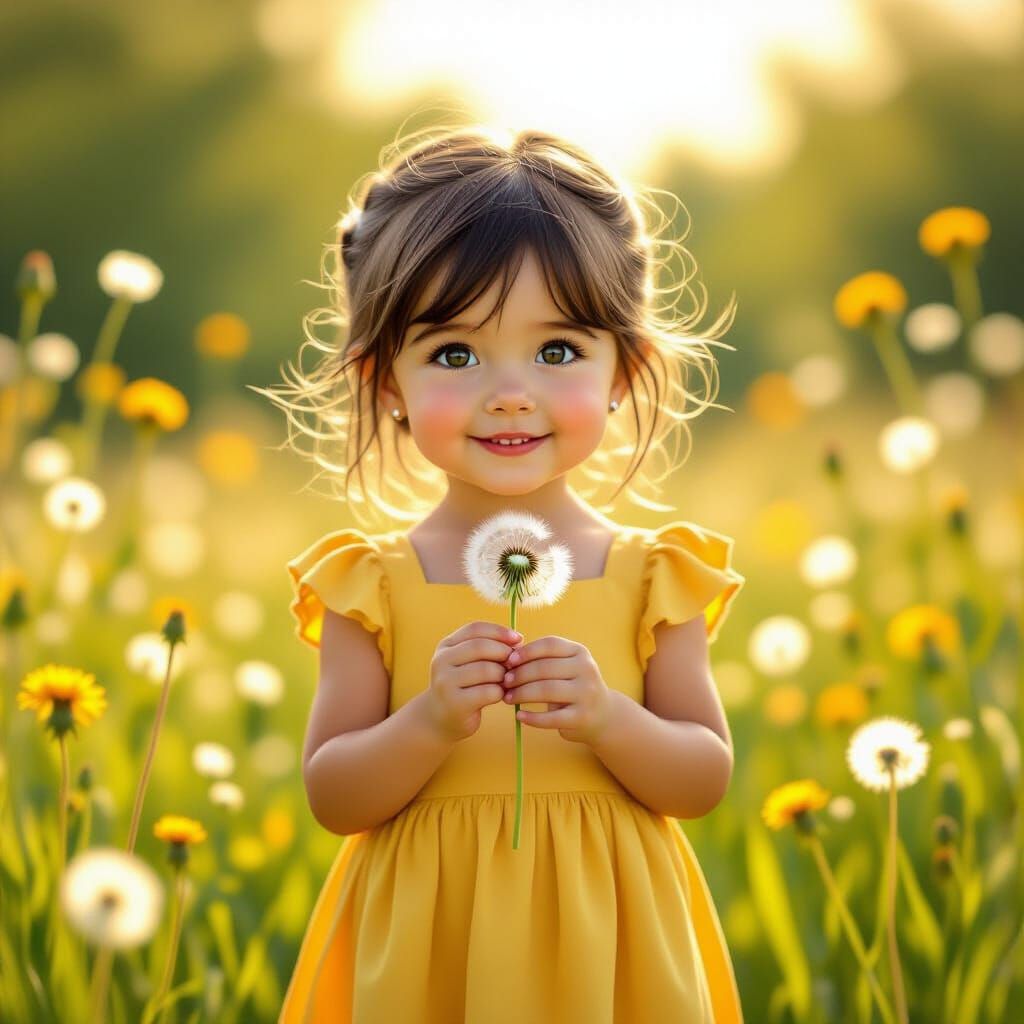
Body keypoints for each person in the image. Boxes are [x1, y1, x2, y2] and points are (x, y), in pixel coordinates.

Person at [259, 123, 746, 1023]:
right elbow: (335, 795)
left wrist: (608, 717)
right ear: (384, 383)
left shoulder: (653, 576)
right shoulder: (369, 585)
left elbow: (702, 779)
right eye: (454, 354)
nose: (509, 390)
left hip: (614, 948)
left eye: (557, 351)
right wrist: (432, 719)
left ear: (625, 371)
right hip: (428, 949)